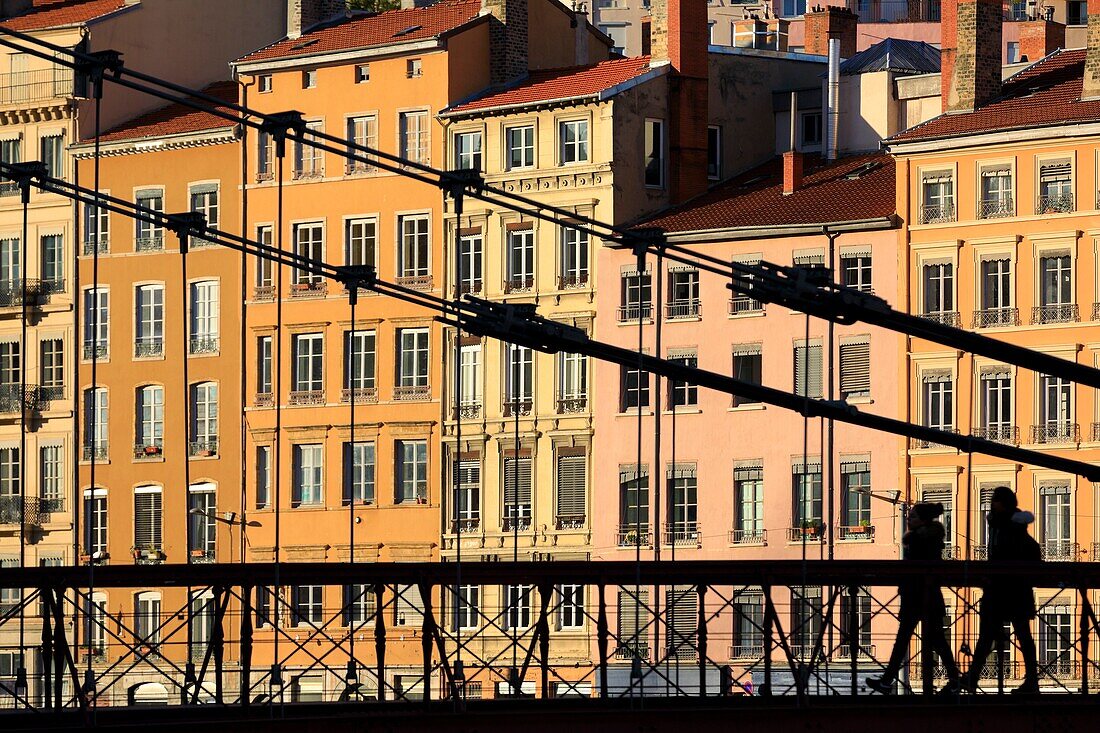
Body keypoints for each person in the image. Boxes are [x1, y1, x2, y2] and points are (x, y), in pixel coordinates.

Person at [866, 502, 960, 694]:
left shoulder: (919, 541)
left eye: (912, 517)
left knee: (904, 641)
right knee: (937, 641)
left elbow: (915, 570)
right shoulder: (930, 539)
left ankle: (887, 681)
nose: (908, 519)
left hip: (918, 597)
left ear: (923, 520)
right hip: (928, 597)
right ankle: (954, 679)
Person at [963, 486, 1040, 694]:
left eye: (995, 500)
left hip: (1004, 589)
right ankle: (1031, 681)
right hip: (1013, 589)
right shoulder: (1002, 524)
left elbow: (1003, 554)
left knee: (990, 635)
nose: (991, 503)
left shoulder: (1006, 525)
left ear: (1003, 503)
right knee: (1020, 635)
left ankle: (973, 677)